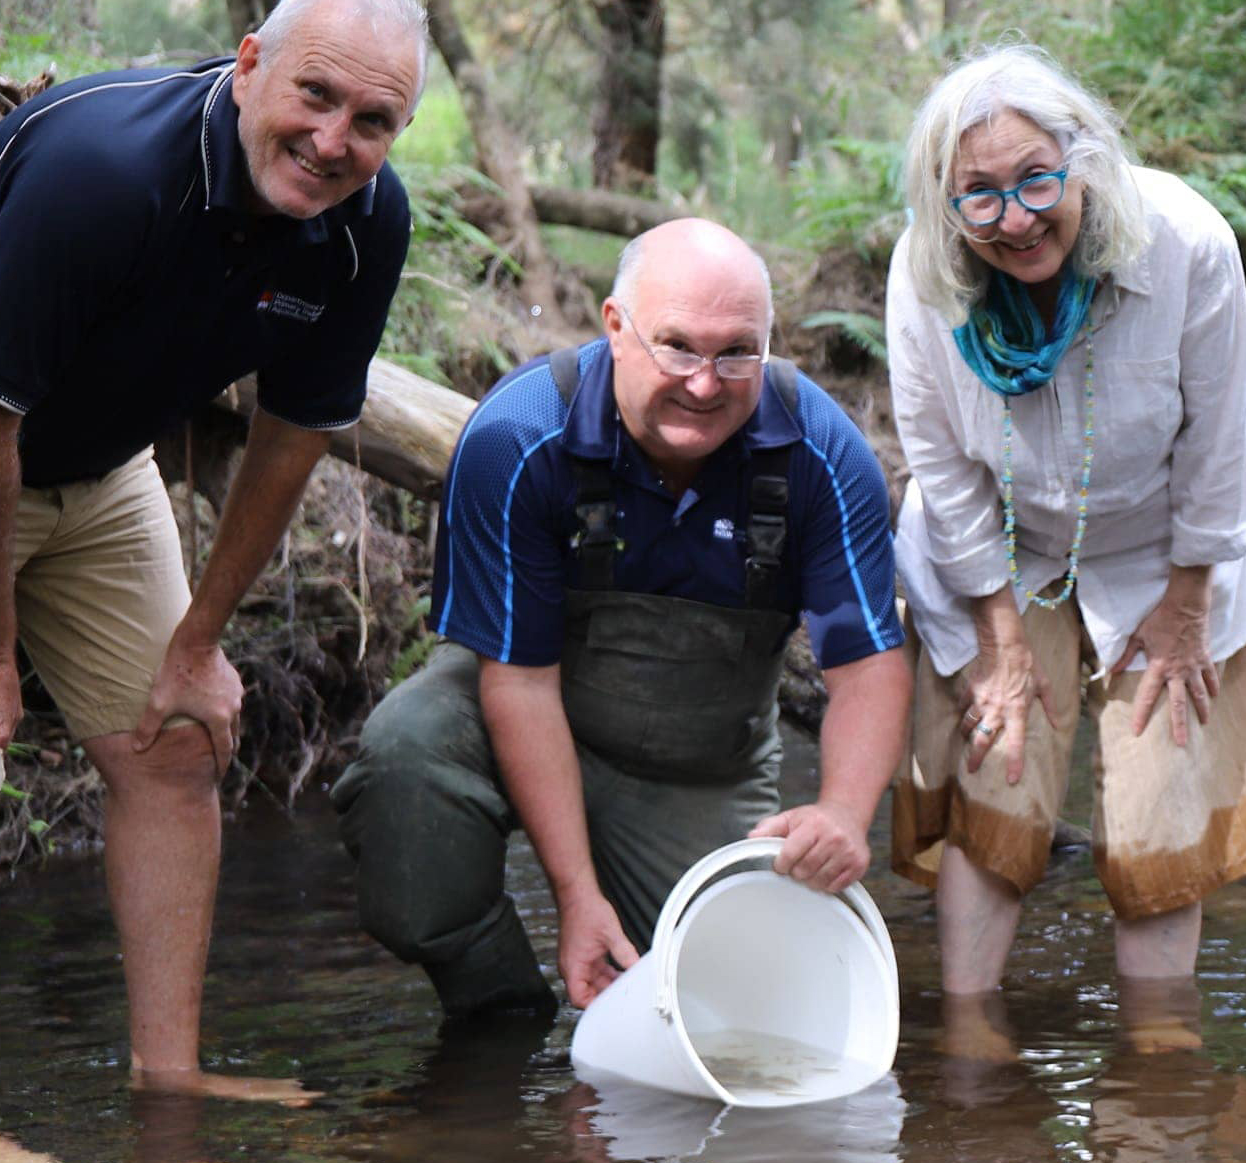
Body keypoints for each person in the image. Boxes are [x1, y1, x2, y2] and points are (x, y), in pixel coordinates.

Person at [0, 0, 430, 1163]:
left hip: (77, 446)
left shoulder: (368, 222)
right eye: (313, 96)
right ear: (249, 59)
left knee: (172, 739)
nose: (332, 142)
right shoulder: (108, 168)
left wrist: (199, 642)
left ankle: (170, 1076)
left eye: (371, 122)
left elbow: (294, 430)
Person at [333, 219, 912, 1021]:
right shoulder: (517, 436)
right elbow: (520, 683)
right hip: (528, 709)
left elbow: (869, 668)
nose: (704, 383)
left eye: (736, 352)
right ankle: (500, 1024)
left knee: (750, 1018)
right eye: (676, 346)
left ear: (769, 346)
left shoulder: (824, 456)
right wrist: (574, 896)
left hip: (699, 764)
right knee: (407, 754)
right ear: (615, 327)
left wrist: (845, 810)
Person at [885, 47, 1246, 1030]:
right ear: (943, 202)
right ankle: (967, 1044)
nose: (1017, 217)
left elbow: (1224, 436)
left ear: (1080, 159)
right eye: (980, 195)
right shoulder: (922, 275)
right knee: (992, 767)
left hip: (1171, 540)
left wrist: (1184, 604)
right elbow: (940, 466)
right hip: (1001, 544)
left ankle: (1160, 1068)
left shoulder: (1182, 244)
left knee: (1160, 790)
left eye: (1037, 178)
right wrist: (997, 636)